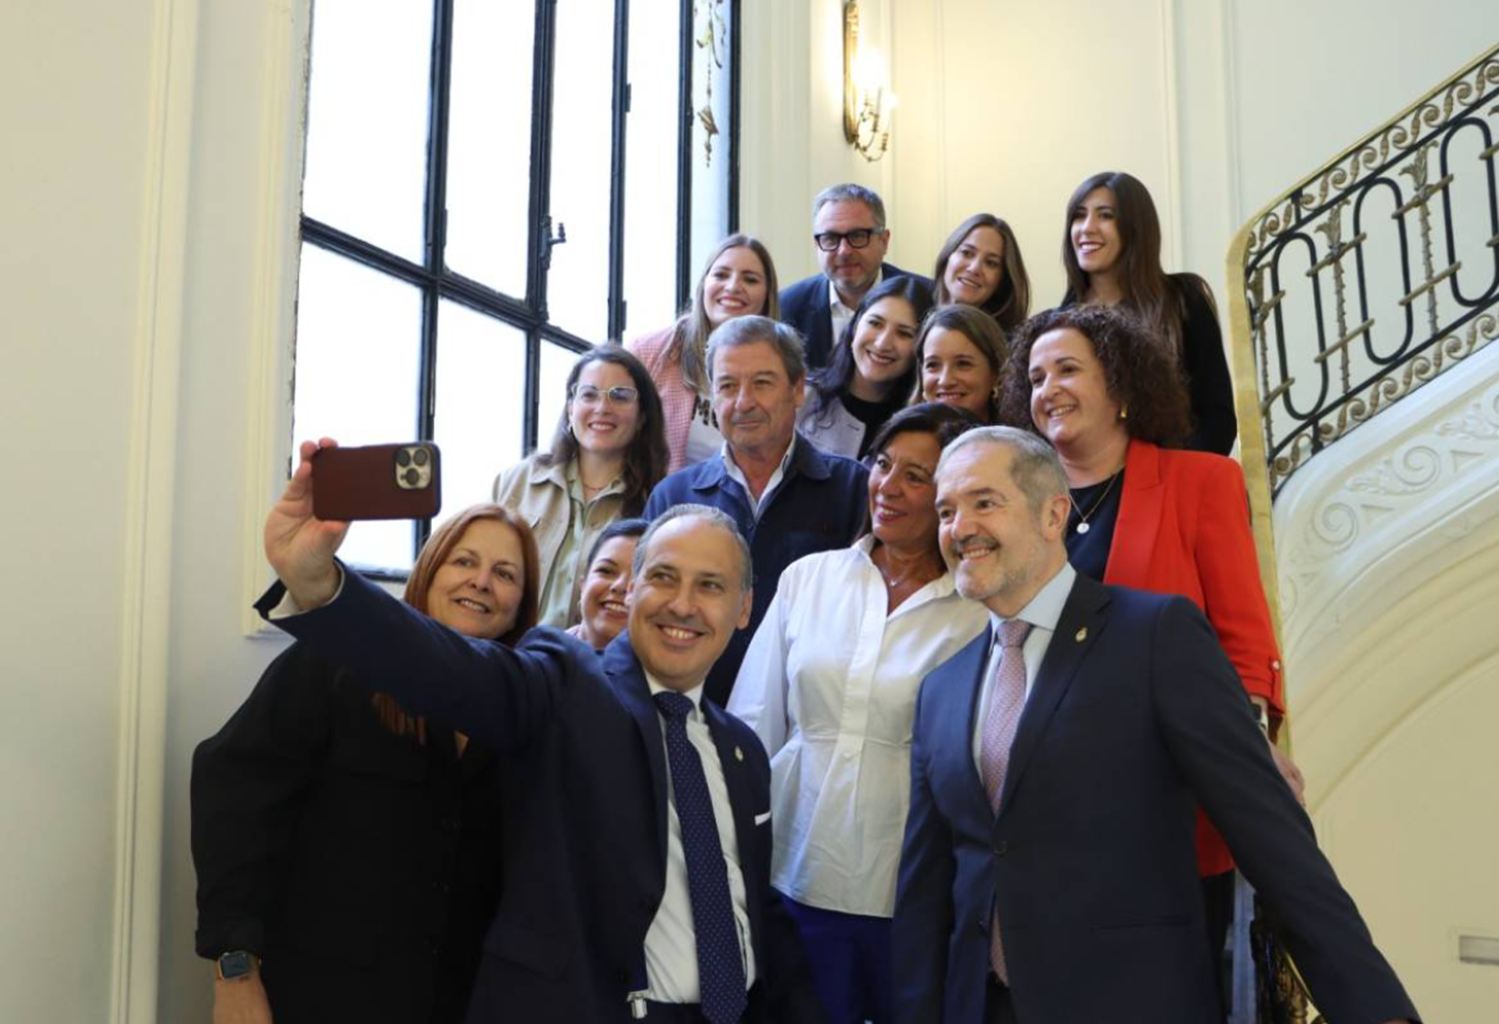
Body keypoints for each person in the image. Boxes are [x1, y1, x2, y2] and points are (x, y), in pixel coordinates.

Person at [260, 450, 828, 1023]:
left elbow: (751, 907)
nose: (682, 604)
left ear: (744, 608)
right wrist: (318, 582)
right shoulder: (566, 685)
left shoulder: (743, 750)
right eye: (662, 577)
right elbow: (444, 669)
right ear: (631, 590)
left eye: (710, 586)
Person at [892, 427, 1418, 1024]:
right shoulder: (941, 689)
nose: (960, 527)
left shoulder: (1154, 636)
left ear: (1053, 514)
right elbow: (925, 892)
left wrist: (1374, 1008)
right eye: (946, 511)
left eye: (984, 502)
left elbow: (1271, 836)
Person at [193, 503, 540, 1024]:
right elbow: (235, 803)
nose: (482, 582)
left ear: (521, 605)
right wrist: (235, 971)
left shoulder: (529, 720)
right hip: (315, 997)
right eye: (464, 561)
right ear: (429, 572)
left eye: (505, 573)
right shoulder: (334, 665)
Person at [730, 403, 987, 1024]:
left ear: (951, 496)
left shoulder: (978, 611)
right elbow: (753, 726)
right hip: (792, 870)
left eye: (915, 477)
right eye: (882, 464)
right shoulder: (809, 579)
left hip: (911, 889)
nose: (888, 487)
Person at [645, 316, 869, 707]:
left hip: (808, 716)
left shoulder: (853, 489)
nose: (743, 402)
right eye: (727, 386)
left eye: (762, 383)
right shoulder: (673, 497)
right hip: (692, 713)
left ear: (797, 389)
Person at [1060, 170, 1237, 454]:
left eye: (1106, 215)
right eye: (1079, 216)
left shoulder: (1183, 299)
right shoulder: (1059, 322)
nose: (1087, 228)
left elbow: (1217, 417)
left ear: (1135, 227)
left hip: (1172, 470)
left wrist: (1176, 473)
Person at [493, 346, 667, 628]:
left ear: (643, 416)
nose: (602, 408)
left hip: (595, 655)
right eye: (589, 394)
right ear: (570, 408)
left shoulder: (660, 501)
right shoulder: (517, 481)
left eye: (620, 396)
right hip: (505, 649)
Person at [628, 234, 781, 473]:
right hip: (662, 494)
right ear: (703, 284)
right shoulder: (650, 352)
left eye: (750, 279)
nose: (733, 287)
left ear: (767, 296)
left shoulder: (784, 366)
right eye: (721, 275)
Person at [779, 184, 930, 370]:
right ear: (817, 245)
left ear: (884, 241)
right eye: (831, 238)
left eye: (858, 236)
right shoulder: (786, 308)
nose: (844, 251)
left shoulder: (929, 300)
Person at [797, 276, 935, 460]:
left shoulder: (923, 425)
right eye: (875, 323)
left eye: (904, 333)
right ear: (855, 325)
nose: (882, 343)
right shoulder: (801, 398)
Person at [931, 214, 1031, 334]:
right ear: (947, 256)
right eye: (966, 253)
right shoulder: (914, 311)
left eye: (990, 263)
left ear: (1003, 281)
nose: (974, 268)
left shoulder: (1009, 343)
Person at [915, 304, 1007, 424]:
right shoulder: (900, 434)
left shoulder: (1017, 436)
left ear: (996, 373)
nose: (945, 381)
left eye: (963, 364)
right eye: (932, 365)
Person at [568, 517, 648, 651]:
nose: (620, 586)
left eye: (638, 578)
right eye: (606, 571)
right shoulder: (540, 655)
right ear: (583, 584)